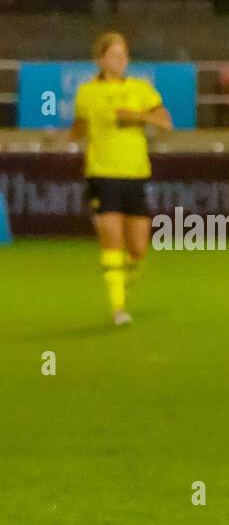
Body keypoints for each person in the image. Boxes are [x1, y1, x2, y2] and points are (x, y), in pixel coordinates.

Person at [71, 31, 173, 326]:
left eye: (125, 55)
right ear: (100, 60)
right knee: (112, 242)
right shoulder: (87, 92)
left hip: (135, 174)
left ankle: (122, 281)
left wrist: (138, 116)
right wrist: (66, 137)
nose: (121, 60)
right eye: (115, 55)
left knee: (138, 249)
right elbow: (78, 127)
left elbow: (166, 122)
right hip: (102, 175)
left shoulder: (141, 89)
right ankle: (118, 307)